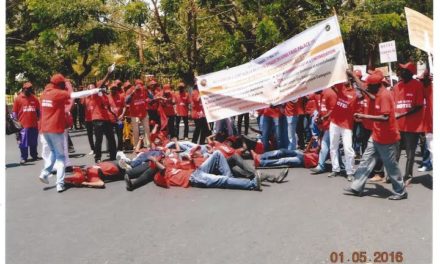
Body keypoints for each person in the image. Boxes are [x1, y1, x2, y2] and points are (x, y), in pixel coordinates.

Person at [343, 70, 407, 200]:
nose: (368, 87)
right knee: (365, 161)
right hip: (376, 135)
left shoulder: (384, 96)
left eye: (370, 86)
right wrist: (354, 76)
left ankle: (400, 191)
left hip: (387, 138)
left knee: (391, 166)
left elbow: (384, 117)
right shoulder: (377, 92)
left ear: (377, 85)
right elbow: (365, 89)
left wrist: (363, 116)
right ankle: (356, 187)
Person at [154, 150, 265, 191]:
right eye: (162, 160)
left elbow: (190, 166)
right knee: (223, 180)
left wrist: (190, 160)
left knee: (217, 153)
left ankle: (231, 179)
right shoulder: (160, 176)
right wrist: (154, 161)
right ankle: (252, 184)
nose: (164, 160)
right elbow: (162, 169)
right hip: (195, 179)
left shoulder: (173, 166)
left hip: (197, 171)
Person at [393, 62, 424, 185]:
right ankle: (394, 175)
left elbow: (418, 106)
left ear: (411, 73)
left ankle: (408, 176)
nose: (401, 72)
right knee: (395, 153)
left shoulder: (417, 85)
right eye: (401, 70)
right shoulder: (396, 87)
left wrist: (402, 114)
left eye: (404, 70)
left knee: (410, 153)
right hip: (397, 126)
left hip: (412, 127)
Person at [328, 81, 357, 181]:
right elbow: (332, 81)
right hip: (335, 122)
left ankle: (350, 171)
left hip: (347, 125)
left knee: (348, 148)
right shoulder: (341, 87)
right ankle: (335, 169)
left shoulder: (355, 93)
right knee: (333, 146)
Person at [310, 88, 337, 174]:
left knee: (324, 144)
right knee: (333, 147)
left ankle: (321, 166)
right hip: (326, 125)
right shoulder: (320, 95)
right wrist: (319, 117)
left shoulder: (330, 93)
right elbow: (323, 110)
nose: (314, 92)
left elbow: (333, 110)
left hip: (332, 124)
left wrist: (323, 118)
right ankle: (341, 166)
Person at [12, 82, 41, 164]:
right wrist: (16, 123)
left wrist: (39, 118)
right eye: (29, 89)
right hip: (23, 125)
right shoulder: (18, 98)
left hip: (34, 124)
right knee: (23, 142)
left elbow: (38, 110)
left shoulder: (34, 98)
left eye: (31, 88)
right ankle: (24, 157)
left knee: (34, 141)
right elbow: (14, 112)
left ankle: (34, 155)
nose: (30, 90)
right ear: (24, 89)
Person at [125, 80, 151, 148]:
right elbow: (126, 101)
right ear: (135, 85)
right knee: (136, 130)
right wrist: (132, 93)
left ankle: (148, 144)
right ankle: (136, 145)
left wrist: (148, 90)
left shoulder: (144, 90)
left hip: (144, 113)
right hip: (134, 114)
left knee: (147, 128)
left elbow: (151, 97)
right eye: (138, 85)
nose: (140, 87)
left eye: (141, 85)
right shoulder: (130, 90)